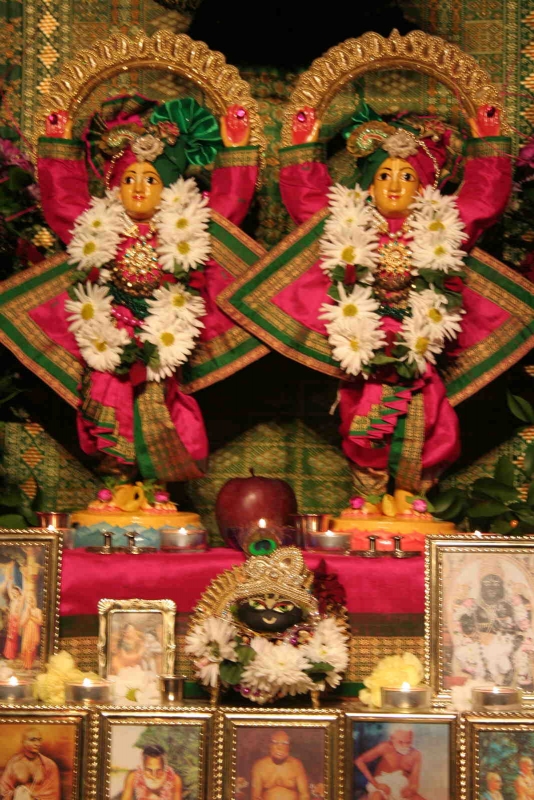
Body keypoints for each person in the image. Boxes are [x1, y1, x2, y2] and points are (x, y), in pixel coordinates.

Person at [221, 99, 520, 504]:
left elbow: (482, 201)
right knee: (361, 418)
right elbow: (309, 202)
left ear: (424, 189)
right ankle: (371, 497)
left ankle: (414, 500)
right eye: (384, 175)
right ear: (369, 187)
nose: (394, 185)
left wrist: (488, 147)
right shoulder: (350, 226)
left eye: (406, 176)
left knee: (430, 420)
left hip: (420, 351)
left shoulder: (441, 226)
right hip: (365, 350)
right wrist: (302, 149)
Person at [0, 93, 264, 484]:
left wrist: (237, 152)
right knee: (106, 403)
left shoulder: (186, 230)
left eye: (150, 179)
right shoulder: (98, 226)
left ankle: (156, 490)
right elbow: (63, 203)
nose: (139, 187)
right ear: (115, 188)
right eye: (129, 179)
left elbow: (228, 207)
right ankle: (116, 485)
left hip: (164, 338)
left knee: (160, 408)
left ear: (170, 190)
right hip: (107, 336)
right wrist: (59, 147)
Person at [354, 726, 426, 800]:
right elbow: (359, 761)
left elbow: (414, 783)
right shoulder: (385, 747)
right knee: (377, 796)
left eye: (408, 742)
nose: (405, 746)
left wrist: (410, 790)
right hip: (382, 785)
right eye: (400, 742)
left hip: (401, 788)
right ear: (392, 738)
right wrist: (376, 784)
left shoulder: (416, 754)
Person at [0, 727, 60, 800]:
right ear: (23, 742)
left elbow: (52, 794)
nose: (37, 744)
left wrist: (34, 796)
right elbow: (4, 789)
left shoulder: (49, 765)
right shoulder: (14, 763)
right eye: (33, 740)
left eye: (39, 740)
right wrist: (18, 793)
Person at [250, 730, 310, 800]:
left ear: (289, 747)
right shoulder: (259, 766)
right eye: (275, 743)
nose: (280, 748)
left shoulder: (296, 765)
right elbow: (255, 797)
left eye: (284, 743)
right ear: (270, 745)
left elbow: (304, 795)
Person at [3, 569, 24, 662]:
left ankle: (12, 655)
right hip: (11, 619)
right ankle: (8, 654)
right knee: (9, 637)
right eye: (14, 592)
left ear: (19, 593)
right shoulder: (13, 599)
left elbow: (23, 595)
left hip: (15, 620)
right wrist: (10, 581)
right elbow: (9, 590)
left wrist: (24, 577)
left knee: (13, 637)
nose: (14, 593)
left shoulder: (19, 601)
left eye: (16, 592)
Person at [20, 595, 42, 671]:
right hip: (27, 632)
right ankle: (25, 665)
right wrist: (27, 615)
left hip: (34, 632)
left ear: (34, 602)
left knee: (32, 649)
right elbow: (21, 624)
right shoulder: (25, 612)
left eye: (31, 601)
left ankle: (29, 666)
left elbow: (40, 622)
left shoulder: (38, 611)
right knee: (25, 648)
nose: (30, 603)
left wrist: (31, 616)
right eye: (28, 602)